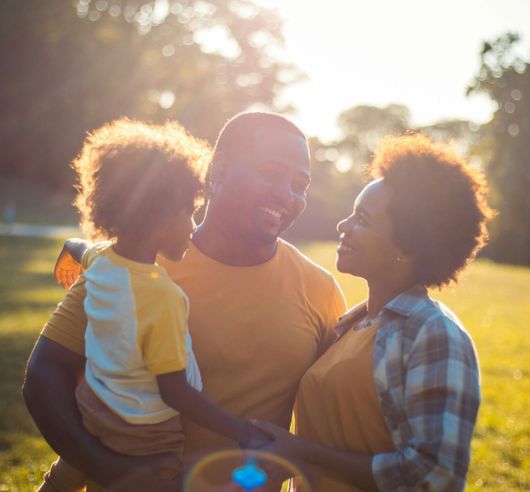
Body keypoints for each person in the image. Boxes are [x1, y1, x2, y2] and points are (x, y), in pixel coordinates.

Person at [23, 112, 346, 490]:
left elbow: (327, 421)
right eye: (272, 174)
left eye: (299, 185)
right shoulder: (133, 266)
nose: (287, 195)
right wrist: (109, 468)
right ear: (219, 169)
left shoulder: (320, 290)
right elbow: (45, 372)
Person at [253, 133, 494, 491]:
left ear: (408, 247)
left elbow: (435, 476)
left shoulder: (434, 334)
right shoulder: (351, 325)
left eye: (363, 220)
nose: (343, 226)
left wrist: (302, 453)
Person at [38, 118, 266, 492]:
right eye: (188, 212)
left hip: (93, 416)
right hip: (145, 442)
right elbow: (174, 391)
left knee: (62, 478)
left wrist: (67, 251)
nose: (193, 227)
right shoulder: (163, 297)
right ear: (158, 215)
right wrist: (241, 430)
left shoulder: (103, 260)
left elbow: (82, 247)